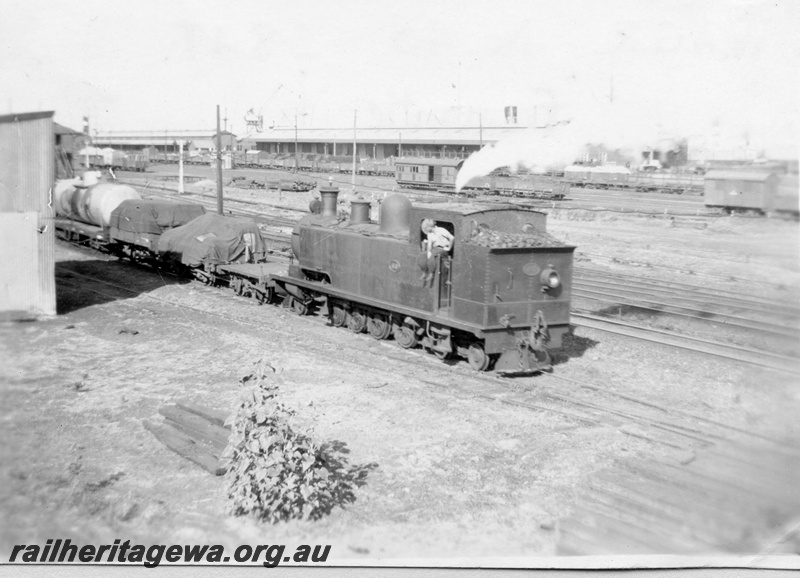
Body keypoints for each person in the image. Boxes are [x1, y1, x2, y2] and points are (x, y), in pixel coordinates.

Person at [418, 219, 454, 286]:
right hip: (435, 248)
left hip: (442, 249)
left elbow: (452, 238)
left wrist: (448, 248)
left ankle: (431, 273)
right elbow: (429, 245)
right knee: (422, 255)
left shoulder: (441, 230)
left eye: (426, 227)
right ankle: (424, 272)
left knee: (433, 254)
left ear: (430, 227)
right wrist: (428, 252)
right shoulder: (430, 234)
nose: (425, 229)